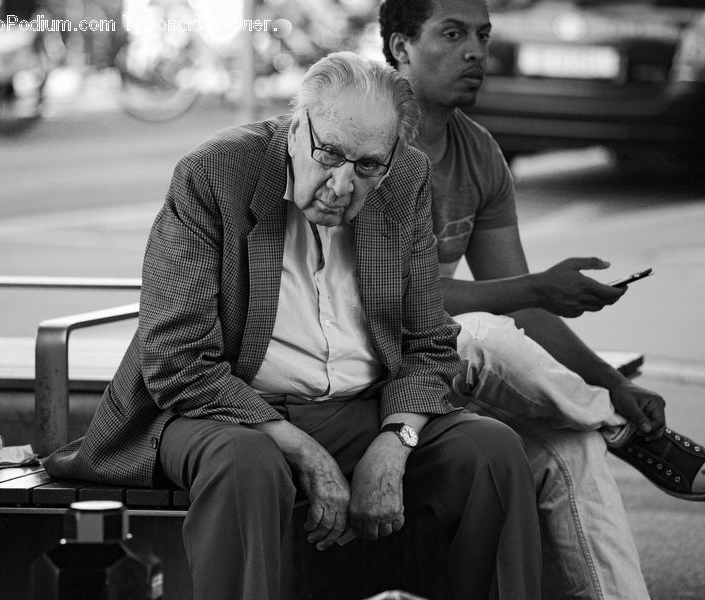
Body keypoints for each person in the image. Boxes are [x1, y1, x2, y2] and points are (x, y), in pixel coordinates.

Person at [44, 51, 541, 600]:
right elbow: (176, 359)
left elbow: (427, 341)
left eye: (367, 165)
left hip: (363, 405)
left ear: (394, 156)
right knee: (246, 462)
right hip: (222, 411)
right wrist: (301, 448)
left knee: (491, 451)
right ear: (297, 125)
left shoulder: (406, 179)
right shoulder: (216, 171)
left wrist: (395, 442)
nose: (341, 184)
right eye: (328, 154)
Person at [379, 0, 705, 598]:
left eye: (484, 36)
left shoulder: (480, 152)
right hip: (362, 359)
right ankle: (618, 423)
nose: (476, 52)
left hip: (436, 365)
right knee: (483, 332)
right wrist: (538, 287)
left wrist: (609, 378)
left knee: (574, 450)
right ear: (399, 48)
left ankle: (610, 422)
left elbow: (522, 305)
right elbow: (398, 299)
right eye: (453, 33)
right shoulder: (365, 142)